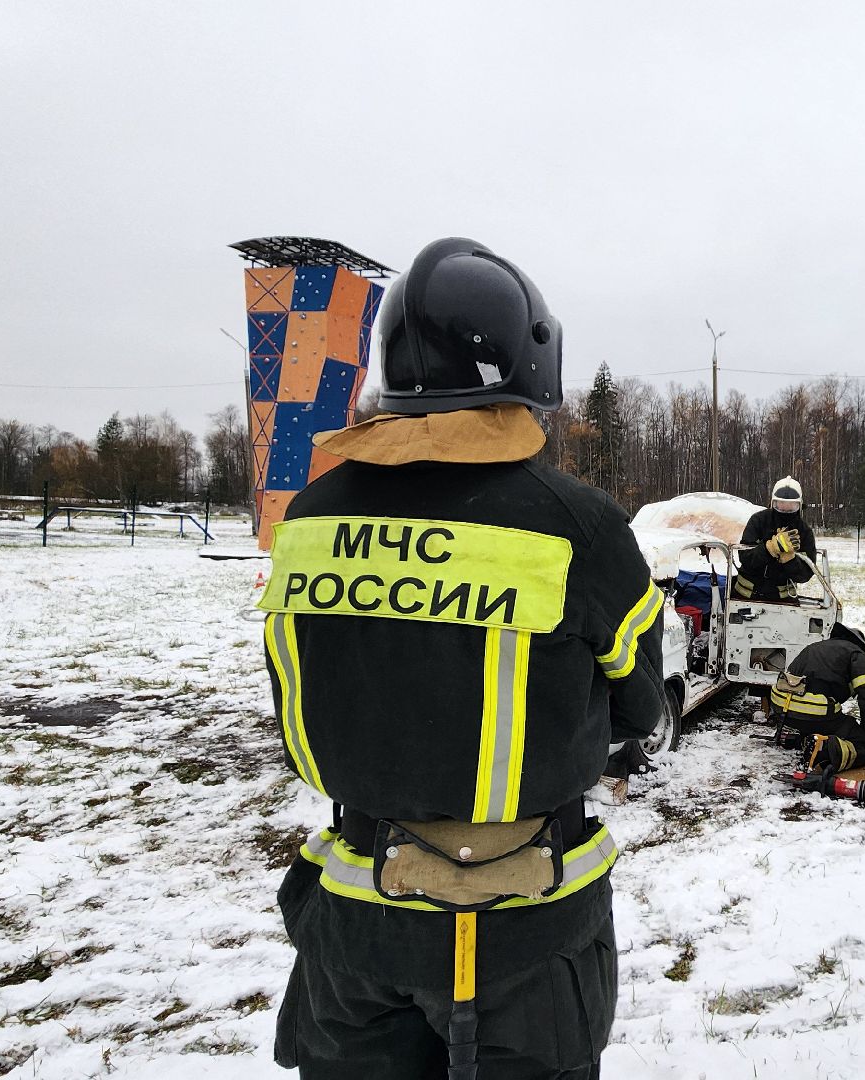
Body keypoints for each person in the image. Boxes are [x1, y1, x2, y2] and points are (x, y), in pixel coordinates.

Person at [261, 237, 665, 1079]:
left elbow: (300, 684)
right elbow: (640, 705)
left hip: (354, 922)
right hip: (525, 935)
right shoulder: (578, 524)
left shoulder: (311, 516)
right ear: (530, 362)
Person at [768, 623, 865, 773]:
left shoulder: (816, 647)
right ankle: (823, 750)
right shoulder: (857, 654)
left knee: (824, 720)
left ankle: (798, 737)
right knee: (864, 744)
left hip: (782, 709)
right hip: (812, 712)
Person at [733, 476, 816, 601]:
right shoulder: (758, 521)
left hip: (783, 600)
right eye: (780, 504)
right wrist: (769, 549)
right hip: (746, 596)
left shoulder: (804, 531)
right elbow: (745, 557)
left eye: (791, 505)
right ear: (773, 503)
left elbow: (805, 575)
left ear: (799, 505)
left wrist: (790, 560)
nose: (785, 509)